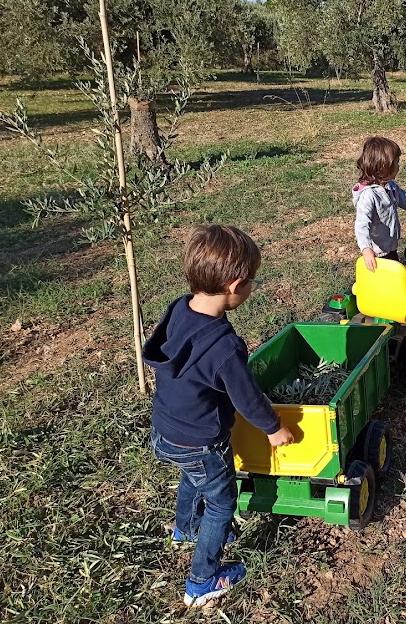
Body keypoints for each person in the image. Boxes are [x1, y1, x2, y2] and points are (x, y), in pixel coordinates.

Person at [144, 225, 294, 608]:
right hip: (201, 440)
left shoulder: (180, 308)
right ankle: (202, 580)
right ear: (236, 284)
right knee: (223, 503)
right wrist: (273, 428)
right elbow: (246, 397)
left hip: (164, 431)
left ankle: (185, 529)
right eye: (252, 283)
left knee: (193, 477)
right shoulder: (224, 346)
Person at [352, 136, 406, 271]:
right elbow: (361, 225)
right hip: (376, 254)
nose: (398, 166)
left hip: (390, 247)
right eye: (396, 163)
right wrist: (366, 249)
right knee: (385, 284)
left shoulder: (390, 187)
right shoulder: (369, 195)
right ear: (383, 166)